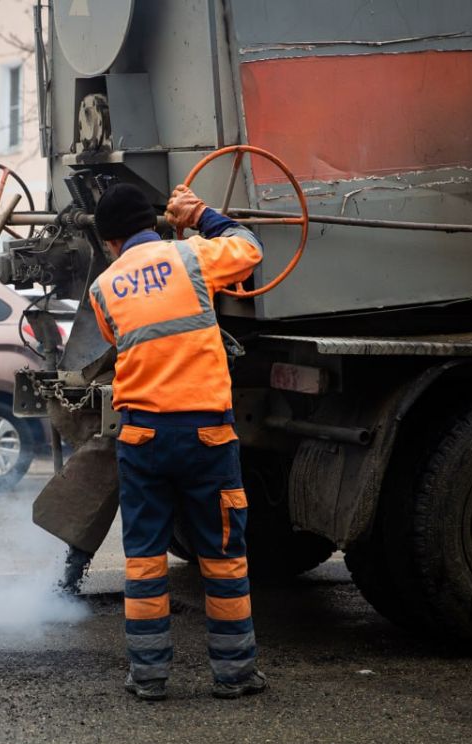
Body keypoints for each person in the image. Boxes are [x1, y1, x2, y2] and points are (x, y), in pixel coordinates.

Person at [88, 182, 267, 700]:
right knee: (222, 556)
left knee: (144, 558)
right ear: (153, 224)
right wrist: (199, 214)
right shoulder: (191, 256)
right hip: (207, 435)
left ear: (109, 242)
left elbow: (114, 336)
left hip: (142, 437)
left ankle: (148, 677)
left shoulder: (104, 287)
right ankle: (234, 676)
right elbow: (250, 249)